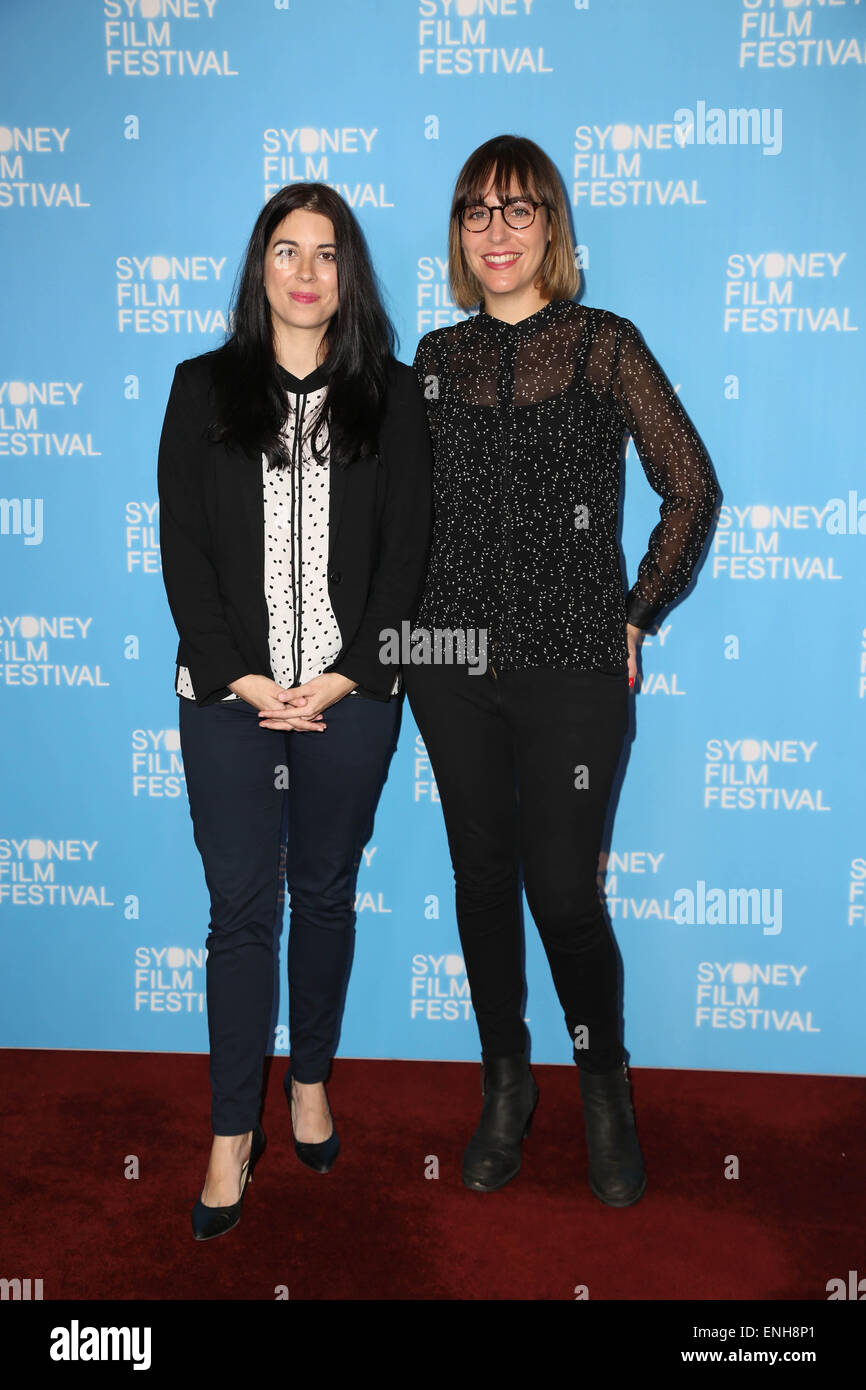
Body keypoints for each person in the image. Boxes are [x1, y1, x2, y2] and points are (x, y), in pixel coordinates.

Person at [404, 134, 719, 1204]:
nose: (496, 232)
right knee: (481, 881)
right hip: (446, 659)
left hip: (573, 663)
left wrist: (638, 609)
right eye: (475, 213)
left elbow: (690, 487)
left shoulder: (602, 346)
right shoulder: (433, 365)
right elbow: (393, 518)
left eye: (518, 209)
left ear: (553, 225)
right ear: (458, 235)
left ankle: (599, 1084)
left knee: (558, 890)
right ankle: (503, 1084)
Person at [157, 183, 432, 1240]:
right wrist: (235, 674)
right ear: (259, 268)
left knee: (322, 894)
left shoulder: (392, 398)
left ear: (346, 274)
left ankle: (307, 1082)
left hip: (350, 694)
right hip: (225, 699)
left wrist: (351, 671)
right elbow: (182, 549)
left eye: (326, 252)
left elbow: (405, 552)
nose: (306, 270)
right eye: (285, 250)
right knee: (240, 910)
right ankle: (233, 1130)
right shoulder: (199, 390)